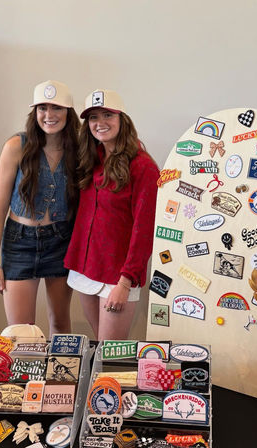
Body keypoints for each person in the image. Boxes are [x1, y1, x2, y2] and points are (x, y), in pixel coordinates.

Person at [64, 89, 159, 340]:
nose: (100, 123)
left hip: (118, 276)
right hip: (86, 267)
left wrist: (125, 282)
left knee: (111, 355)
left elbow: (144, 229)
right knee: (99, 349)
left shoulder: (143, 166)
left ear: (122, 120)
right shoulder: (90, 159)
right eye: (93, 117)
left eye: (108, 115)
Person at [0, 80, 80, 335]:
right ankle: (27, 377)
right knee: (20, 331)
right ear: (35, 112)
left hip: (61, 241)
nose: (49, 116)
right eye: (42, 108)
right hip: (19, 243)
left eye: (56, 108)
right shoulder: (16, 147)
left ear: (68, 113)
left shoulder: (79, 150)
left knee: (60, 325)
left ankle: (60, 376)